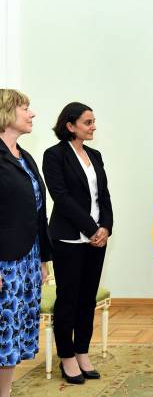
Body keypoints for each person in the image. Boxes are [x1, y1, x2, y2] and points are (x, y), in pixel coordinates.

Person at [42, 102, 113, 384]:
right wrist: (91, 227)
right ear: (70, 126)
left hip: (97, 240)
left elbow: (104, 195)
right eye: (88, 122)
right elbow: (62, 197)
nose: (93, 126)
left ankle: (82, 351)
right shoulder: (54, 155)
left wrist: (106, 227)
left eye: (94, 121)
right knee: (68, 299)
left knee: (87, 298)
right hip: (69, 238)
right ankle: (67, 356)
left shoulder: (95, 155)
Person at [0, 89, 50, 397]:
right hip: (4, 261)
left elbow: (37, 212)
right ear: (6, 113)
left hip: (27, 259)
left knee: (12, 338)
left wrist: (42, 258)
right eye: (25, 108)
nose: (31, 114)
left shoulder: (24, 156)